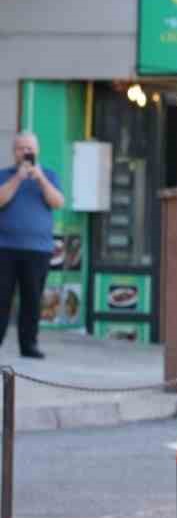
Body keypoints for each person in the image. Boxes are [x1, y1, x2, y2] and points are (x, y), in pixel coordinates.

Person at [0, 130, 65, 360]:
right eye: (21, 148)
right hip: (5, 248)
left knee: (32, 300)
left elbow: (57, 202)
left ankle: (29, 345)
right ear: (14, 152)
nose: (25, 152)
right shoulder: (4, 175)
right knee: (2, 298)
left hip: (38, 249)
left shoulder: (49, 175)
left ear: (37, 151)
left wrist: (40, 179)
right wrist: (18, 178)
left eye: (29, 148)